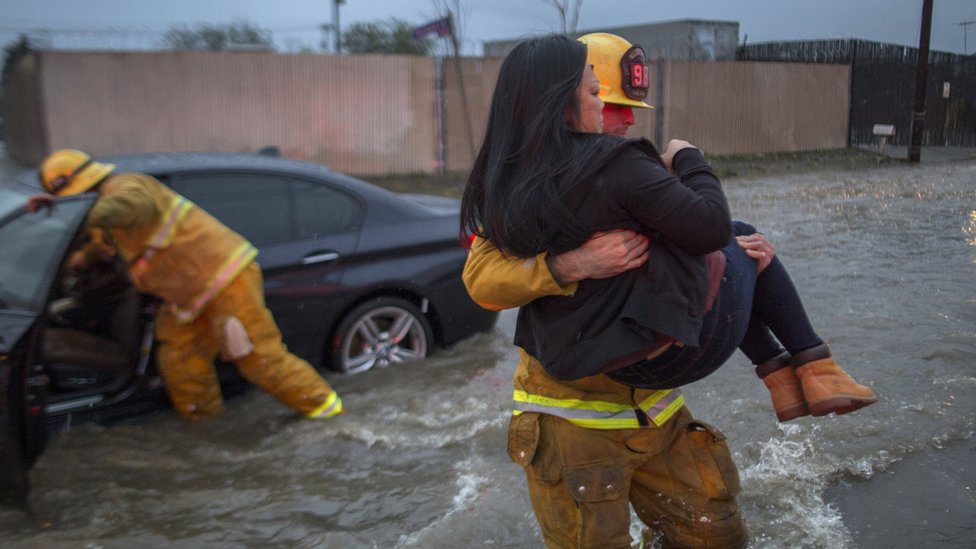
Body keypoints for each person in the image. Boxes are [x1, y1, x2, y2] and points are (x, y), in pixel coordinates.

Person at [460, 34, 875, 548]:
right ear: (562, 106)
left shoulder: (631, 168)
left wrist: (734, 258)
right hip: (573, 420)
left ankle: (797, 373)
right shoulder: (526, 188)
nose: (630, 120)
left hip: (656, 409)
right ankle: (805, 368)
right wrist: (569, 264)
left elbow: (692, 246)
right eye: (612, 104)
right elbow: (481, 281)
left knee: (715, 538)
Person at [30, 149, 344, 421]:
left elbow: (127, 208)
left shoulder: (128, 186)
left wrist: (76, 211)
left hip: (224, 278)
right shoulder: (103, 212)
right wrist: (80, 259)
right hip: (186, 295)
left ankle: (328, 413)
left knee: (257, 357)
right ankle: (205, 424)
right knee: (180, 361)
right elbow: (103, 245)